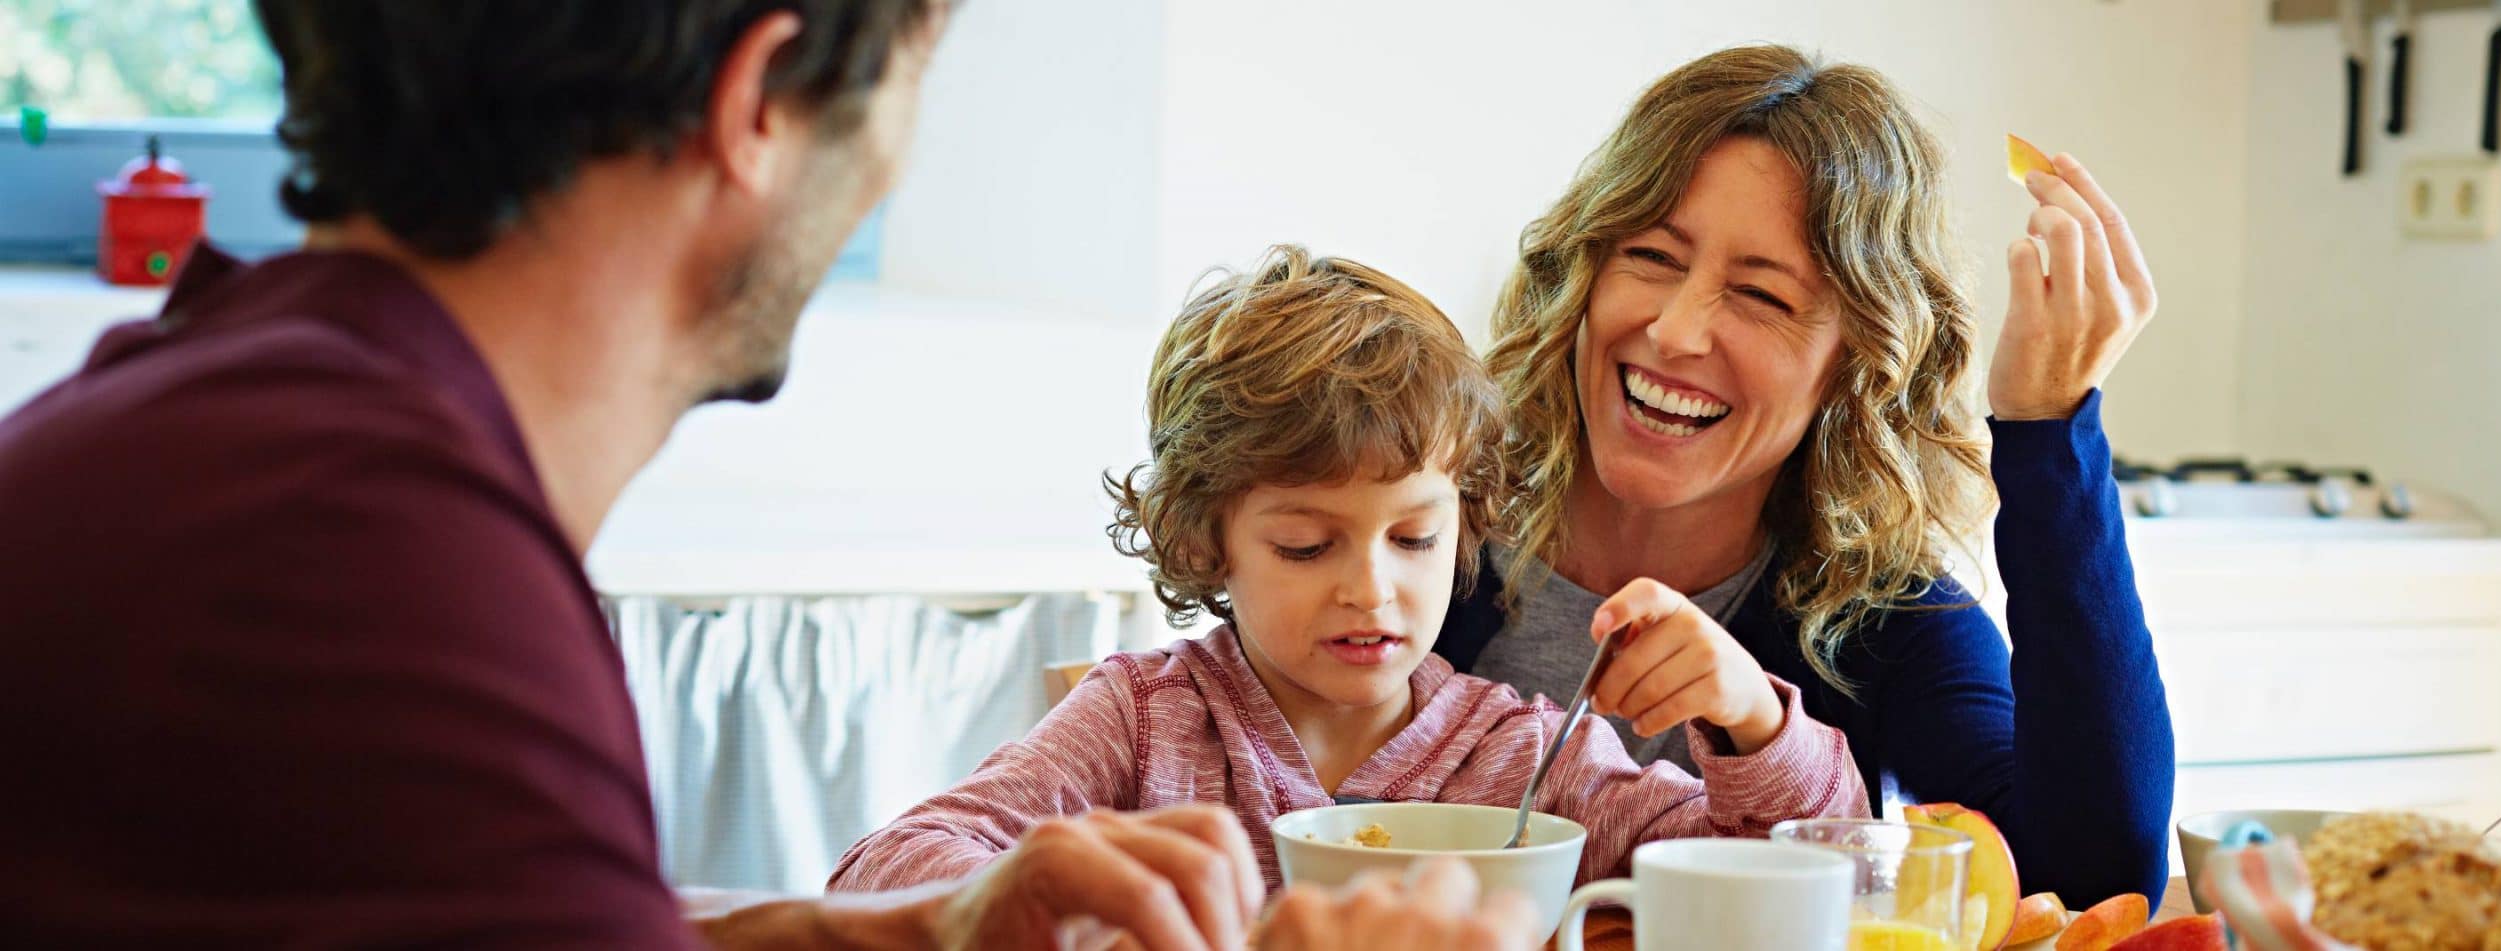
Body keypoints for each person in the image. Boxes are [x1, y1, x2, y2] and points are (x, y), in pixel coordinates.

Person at [0, 3, 1517, 948]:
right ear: (763, 101)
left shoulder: (228, 420)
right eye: (921, 69)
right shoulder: (384, 580)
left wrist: (882, 931)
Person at [830, 247, 1868, 902]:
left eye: (1413, 541)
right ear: (1204, 541)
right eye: (1305, 546)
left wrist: (1750, 723)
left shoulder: (1515, 753)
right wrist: (1050, 897)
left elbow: (1813, 874)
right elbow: (885, 871)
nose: (1371, 590)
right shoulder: (1144, 723)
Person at [1430, 45, 2176, 907]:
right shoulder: (1414, 537)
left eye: (1762, 296)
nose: (1675, 331)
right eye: (1652, 257)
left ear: (1853, 364)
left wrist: (2049, 432)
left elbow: (2090, 880)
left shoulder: (1877, 618)